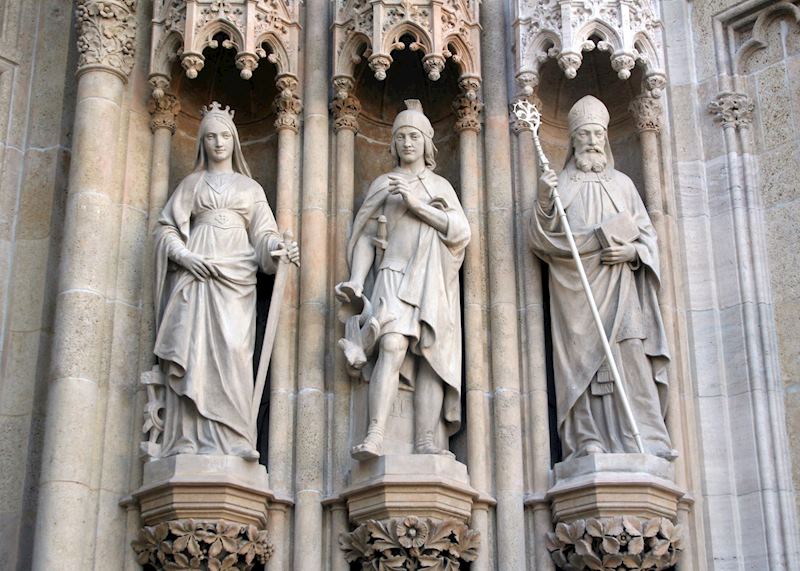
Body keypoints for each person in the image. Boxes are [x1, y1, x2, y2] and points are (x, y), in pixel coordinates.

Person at [529, 95, 677, 461]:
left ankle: (645, 436)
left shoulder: (624, 185)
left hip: (622, 284)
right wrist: (546, 200)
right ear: (574, 140)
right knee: (582, 363)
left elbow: (647, 237)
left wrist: (632, 253)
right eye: (585, 134)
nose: (593, 140)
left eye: (598, 133)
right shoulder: (562, 183)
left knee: (630, 354)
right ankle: (586, 438)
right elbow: (541, 237)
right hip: (576, 288)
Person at [153, 102, 299, 460]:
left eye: (224, 136)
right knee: (193, 351)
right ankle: (186, 439)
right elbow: (166, 229)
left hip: (236, 280)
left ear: (234, 141)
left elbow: (263, 236)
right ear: (202, 142)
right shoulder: (191, 184)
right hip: (196, 276)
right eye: (211, 137)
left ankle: (235, 436)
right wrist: (185, 256)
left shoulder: (249, 188)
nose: (218, 143)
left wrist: (278, 249)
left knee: (234, 352)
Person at [335, 100, 470, 460]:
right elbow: (365, 235)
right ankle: (376, 433)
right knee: (392, 345)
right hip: (392, 276)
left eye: (414, 136)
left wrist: (416, 205)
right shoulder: (384, 184)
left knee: (429, 356)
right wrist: (358, 280)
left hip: (433, 282)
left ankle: (427, 439)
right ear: (393, 144)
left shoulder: (439, 186)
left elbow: (459, 231)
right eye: (400, 137)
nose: (407, 143)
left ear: (427, 143)